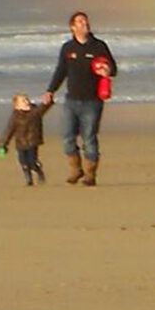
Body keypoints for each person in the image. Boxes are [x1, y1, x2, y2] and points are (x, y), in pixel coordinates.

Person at [40, 10, 117, 186]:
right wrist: (50, 90)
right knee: (67, 137)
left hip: (92, 101)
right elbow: (61, 71)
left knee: (89, 137)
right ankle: (75, 169)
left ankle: (90, 174)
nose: (85, 24)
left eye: (86, 21)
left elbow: (113, 68)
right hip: (71, 100)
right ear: (72, 27)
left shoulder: (99, 46)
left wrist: (107, 71)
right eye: (81, 22)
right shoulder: (68, 48)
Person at [0, 93, 50, 186]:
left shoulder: (35, 112)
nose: (26, 102)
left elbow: (43, 108)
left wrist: (47, 102)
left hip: (32, 142)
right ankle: (28, 179)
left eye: (27, 99)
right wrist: (3, 144)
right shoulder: (15, 116)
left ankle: (39, 171)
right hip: (20, 143)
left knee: (32, 162)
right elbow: (9, 130)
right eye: (23, 100)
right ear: (17, 106)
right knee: (23, 162)